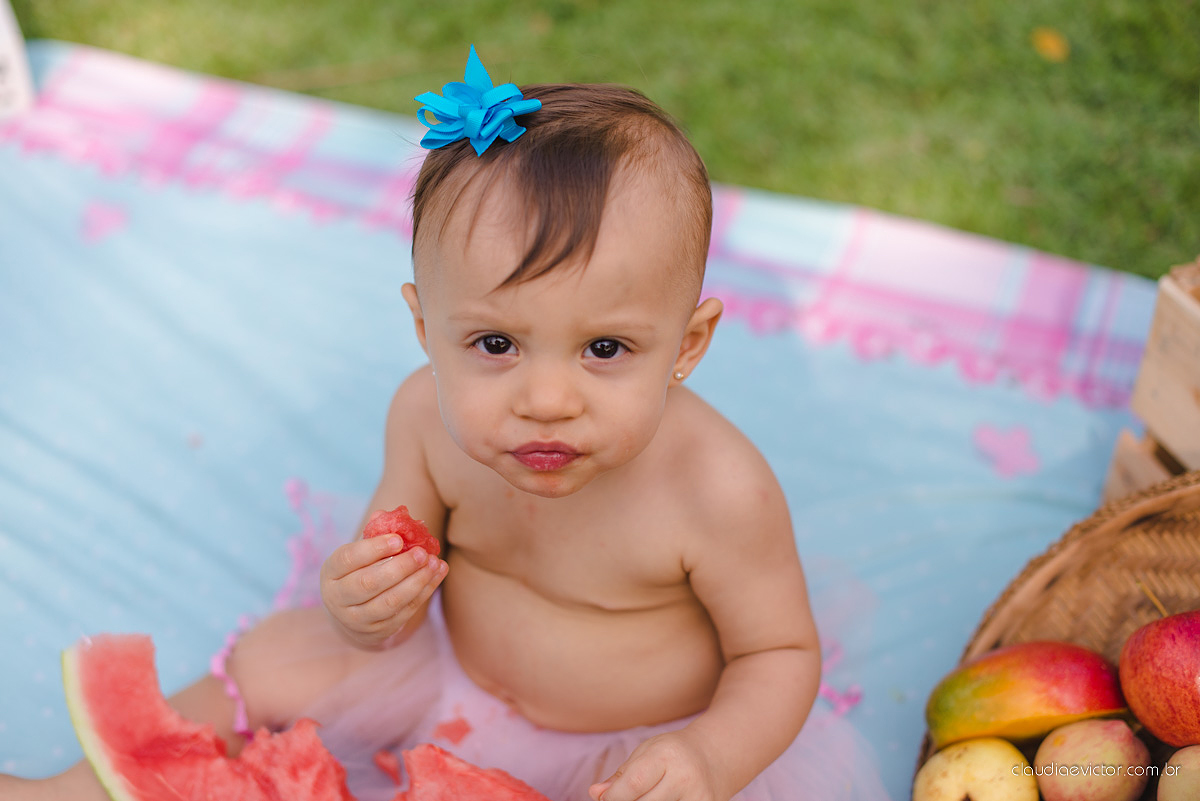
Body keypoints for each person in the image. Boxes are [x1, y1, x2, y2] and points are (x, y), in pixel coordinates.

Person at [2, 47, 889, 801]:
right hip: (440, 669)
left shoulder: (716, 487)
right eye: (496, 342)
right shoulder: (423, 417)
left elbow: (777, 653)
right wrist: (360, 609)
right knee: (277, 653)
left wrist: (705, 756)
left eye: (606, 348)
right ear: (427, 329)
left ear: (688, 345)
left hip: (634, 739)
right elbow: (391, 586)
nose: (546, 399)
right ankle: (72, 789)